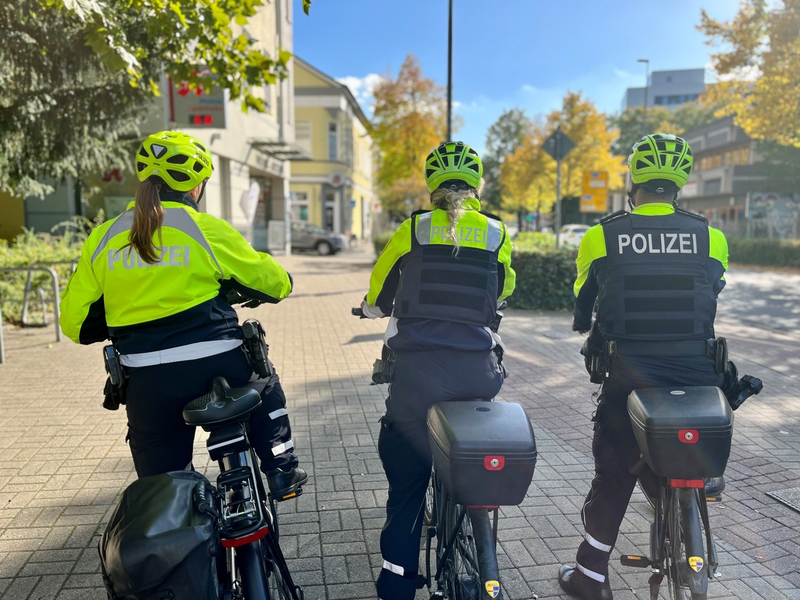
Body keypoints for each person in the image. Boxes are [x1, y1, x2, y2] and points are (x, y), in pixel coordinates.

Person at [60, 130, 307, 499]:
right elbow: (273, 284)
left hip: (147, 381)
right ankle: (281, 470)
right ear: (196, 188)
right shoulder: (204, 228)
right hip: (219, 365)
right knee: (263, 380)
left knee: (163, 492)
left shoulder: (104, 238)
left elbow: (75, 324)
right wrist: (278, 280)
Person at [558, 133, 729, 599]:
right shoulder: (710, 236)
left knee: (614, 471)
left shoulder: (602, 235)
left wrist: (584, 325)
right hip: (696, 376)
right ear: (681, 182)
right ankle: (698, 488)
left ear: (634, 177)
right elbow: (712, 291)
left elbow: (582, 302)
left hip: (629, 376)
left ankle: (591, 576)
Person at [360, 141, 516, 600]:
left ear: (431, 186)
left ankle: (395, 583)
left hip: (417, 376)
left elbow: (381, 292)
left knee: (407, 485)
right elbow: (504, 285)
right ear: (477, 185)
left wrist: (370, 309)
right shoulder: (495, 232)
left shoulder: (412, 230)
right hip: (477, 373)